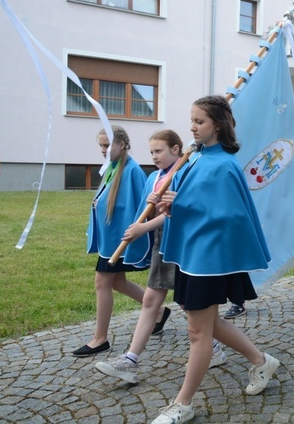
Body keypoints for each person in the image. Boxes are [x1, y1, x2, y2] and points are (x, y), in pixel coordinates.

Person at [150, 96, 279, 424]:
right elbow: (182, 203)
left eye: (199, 122)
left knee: (198, 331)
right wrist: (165, 201)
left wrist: (180, 203)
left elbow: (228, 215)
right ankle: (261, 361)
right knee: (207, 323)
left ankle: (183, 403)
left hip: (210, 257)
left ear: (217, 125)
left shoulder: (223, 165)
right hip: (193, 253)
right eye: (192, 120)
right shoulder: (195, 158)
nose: (192, 127)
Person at [94, 129, 195, 382]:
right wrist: (150, 212)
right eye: (151, 152)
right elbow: (149, 212)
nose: (154, 156)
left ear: (176, 149)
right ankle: (130, 360)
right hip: (163, 245)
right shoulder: (154, 178)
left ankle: (228, 351)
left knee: (191, 306)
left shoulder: (184, 173)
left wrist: (144, 227)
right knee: (152, 301)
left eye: (159, 151)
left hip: (182, 245)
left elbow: (178, 213)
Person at [73, 126, 149, 357]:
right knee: (117, 283)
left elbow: (143, 205)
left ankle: (100, 339)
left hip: (119, 239)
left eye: (107, 145)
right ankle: (158, 311)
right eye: (101, 145)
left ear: (122, 144)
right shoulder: (113, 167)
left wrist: (134, 236)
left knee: (102, 282)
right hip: (110, 239)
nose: (103, 150)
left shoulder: (132, 170)